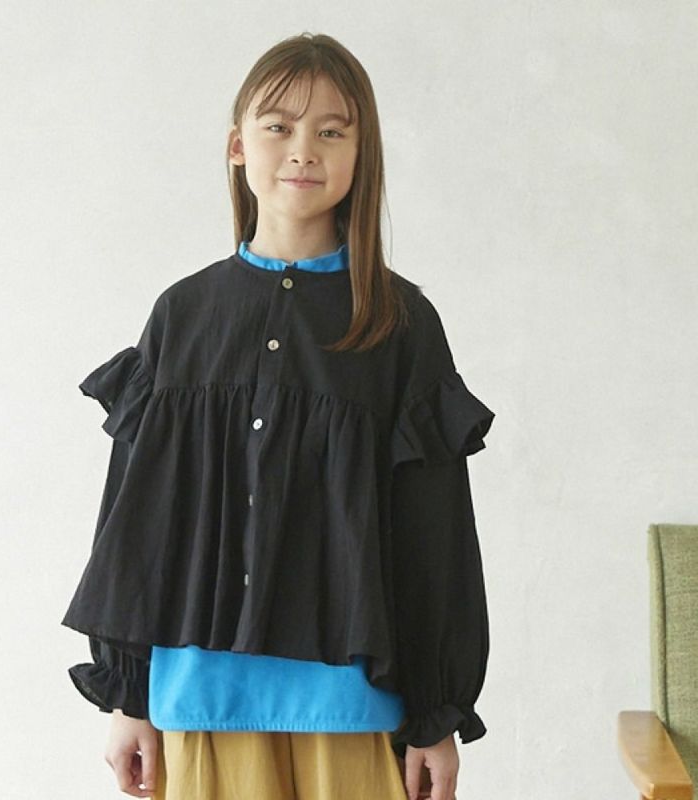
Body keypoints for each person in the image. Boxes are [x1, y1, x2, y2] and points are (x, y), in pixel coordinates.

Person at [61, 31, 495, 800]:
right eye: (279, 126)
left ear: (362, 154)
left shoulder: (399, 324)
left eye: (331, 131)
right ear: (238, 145)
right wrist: (129, 696)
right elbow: (136, 524)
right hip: (200, 696)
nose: (303, 150)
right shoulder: (183, 316)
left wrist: (436, 715)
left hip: (352, 706)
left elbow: (435, 534)